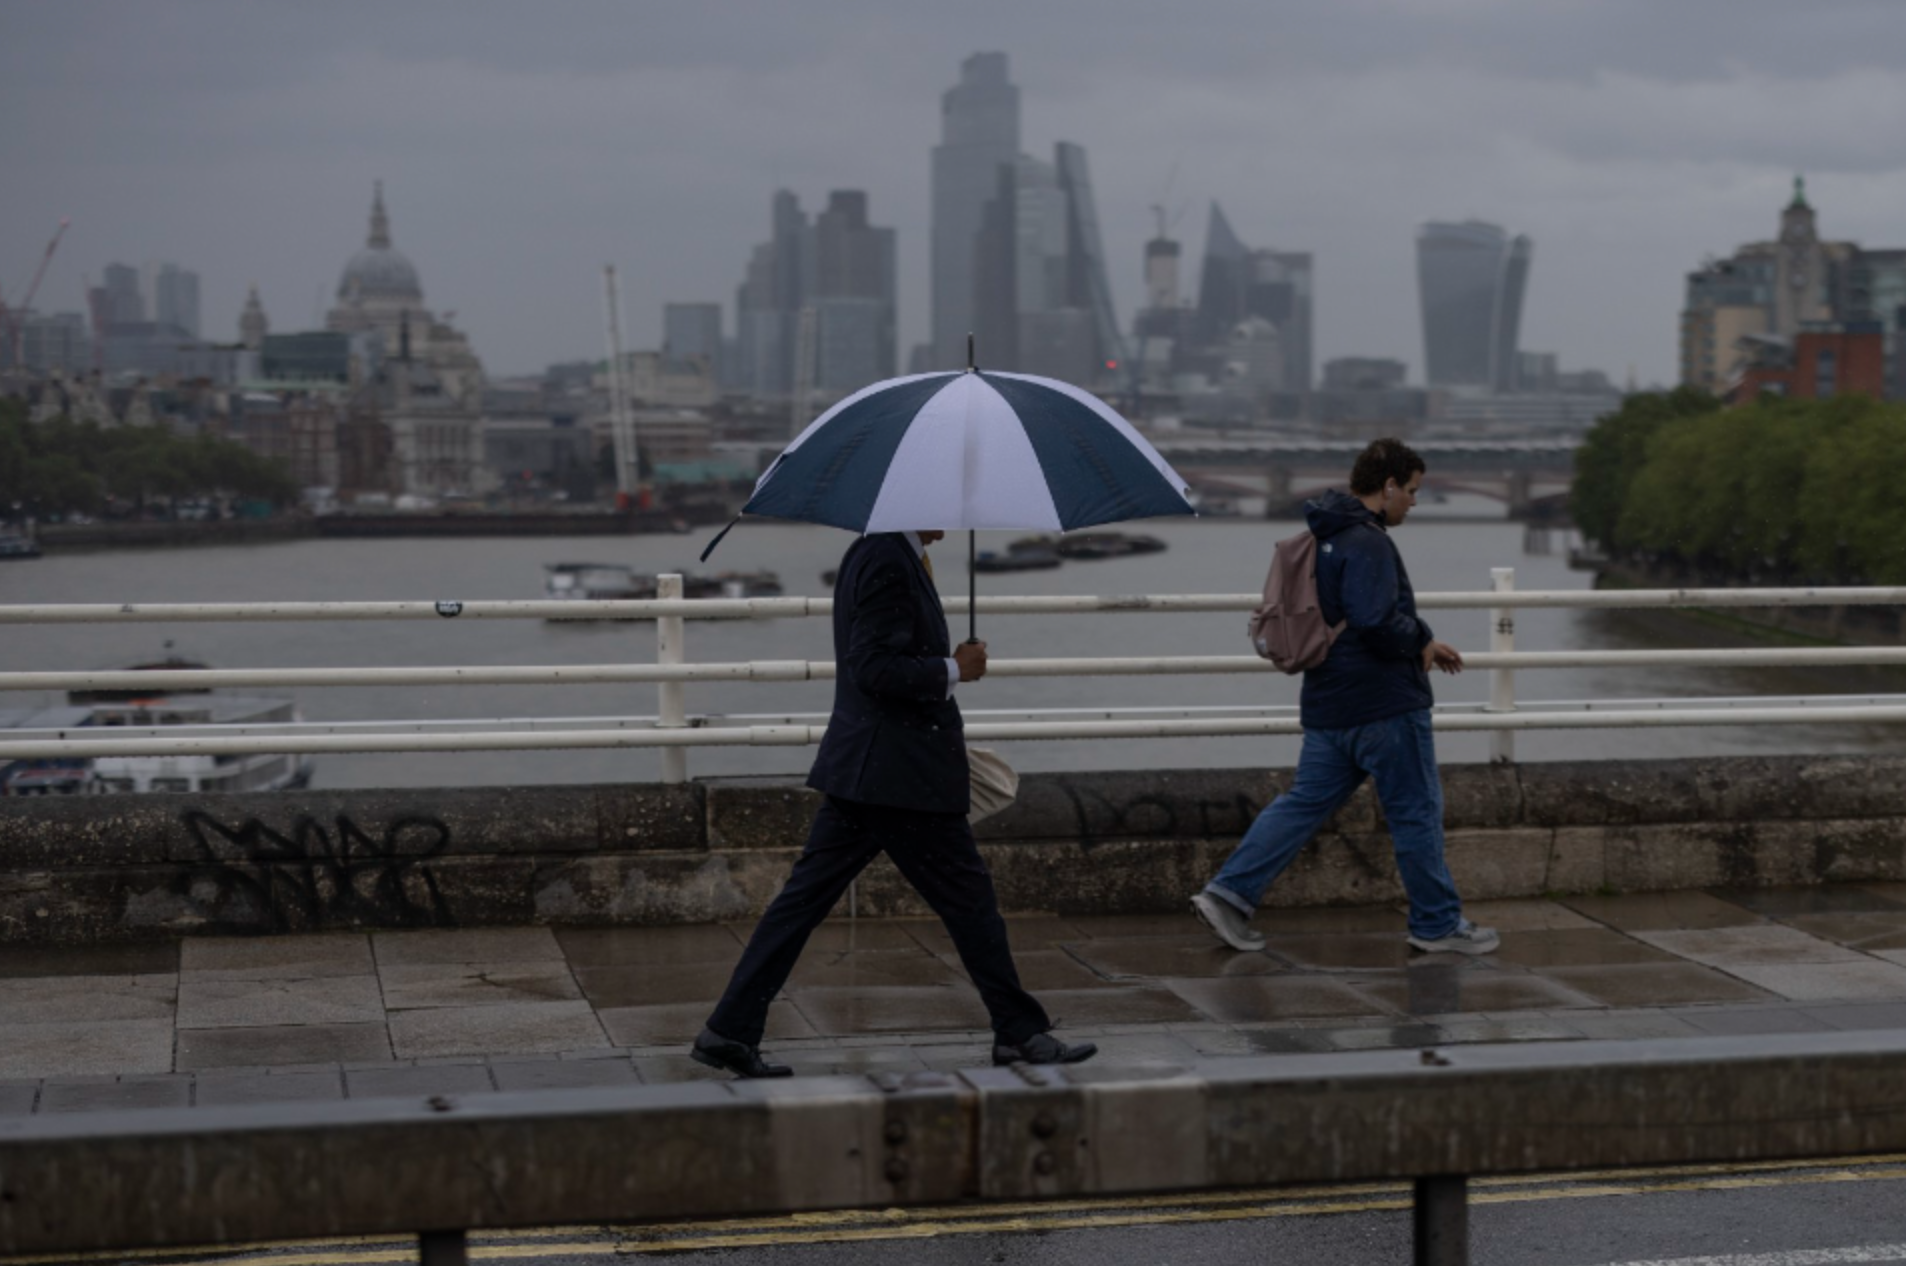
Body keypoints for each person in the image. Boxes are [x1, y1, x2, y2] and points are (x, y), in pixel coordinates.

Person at [692, 529, 1097, 1077]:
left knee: (801, 904)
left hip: (867, 769)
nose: (953, 518)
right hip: (901, 775)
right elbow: (873, 668)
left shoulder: (882, 551)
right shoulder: (888, 557)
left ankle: (729, 1030)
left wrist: (949, 667)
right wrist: (955, 669)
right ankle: (1020, 1033)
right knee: (970, 904)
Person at [1191, 438, 1499, 956]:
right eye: (1413, 491)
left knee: (1301, 805)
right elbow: (1373, 619)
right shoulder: (1369, 540)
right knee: (1416, 812)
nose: (1415, 503)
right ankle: (1437, 924)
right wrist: (1416, 640)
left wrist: (1423, 640)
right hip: (1384, 705)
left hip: (1329, 702)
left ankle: (1228, 895)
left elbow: (1346, 617)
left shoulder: (1322, 534)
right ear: (1389, 486)